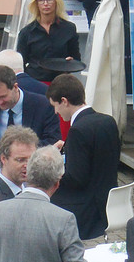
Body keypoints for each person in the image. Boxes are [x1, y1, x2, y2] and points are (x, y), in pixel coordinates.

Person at [47, 74, 118, 241]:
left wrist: (52, 173)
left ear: (64, 101)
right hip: (107, 199)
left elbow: (76, 178)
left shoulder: (78, 130)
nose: (56, 112)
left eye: (55, 106)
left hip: (86, 207)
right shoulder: (108, 121)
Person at [0, 65, 58, 154]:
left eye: (3, 96)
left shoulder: (43, 106)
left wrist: (19, 149)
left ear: (15, 87)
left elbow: (53, 141)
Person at [15, 0, 82, 84]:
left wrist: (70, 62)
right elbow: (20, 64)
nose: (45, 4)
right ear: (36, 3)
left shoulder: (69, 29)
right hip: (35, 82)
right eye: (41, 0)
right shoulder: (26, 32)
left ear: (56, 1)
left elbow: (77, 59)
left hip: (61, 83)